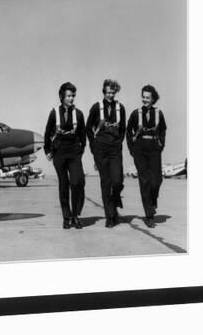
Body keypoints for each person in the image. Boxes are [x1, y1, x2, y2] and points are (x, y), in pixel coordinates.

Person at [44, 82, 86, 229]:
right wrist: (47, 151)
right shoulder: (54, 112)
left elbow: (83, 135)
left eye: (73, 95)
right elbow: (48, 131)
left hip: (74, 152)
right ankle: (66, 217)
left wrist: (80, 152)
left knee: (77, 182)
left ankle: (76, 215)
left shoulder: (79, 114)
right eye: (68, 96)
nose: (71, 98)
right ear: (62, 96)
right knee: (64, 184)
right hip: (59, 152)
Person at [86, 79, 126, 228]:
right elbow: (88, 127)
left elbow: (123, 129)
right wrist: (94, 147)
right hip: (100, 148)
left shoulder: (120, 108)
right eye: (108, 92)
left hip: (115, 148)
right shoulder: (97, 107)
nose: (110, 95)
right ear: (104, 91)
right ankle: (110, 216)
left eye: (113, 92)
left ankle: (115, 200)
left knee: (117, 181)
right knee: (105, 182)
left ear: (116, 92)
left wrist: (118, 142)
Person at [126, 85, 167, 228]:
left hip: (154, 149)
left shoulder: (159, 113)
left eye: (148, 97)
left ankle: (153, 200)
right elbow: (128, 131)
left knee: (156, 180)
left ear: (153, 98)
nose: (145, 100)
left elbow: (163, 131)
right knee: (144, 181)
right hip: (140, 150)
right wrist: (132, 149)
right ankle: (149, 215)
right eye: (143, 97)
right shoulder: (135, 113)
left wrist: (160, 146)